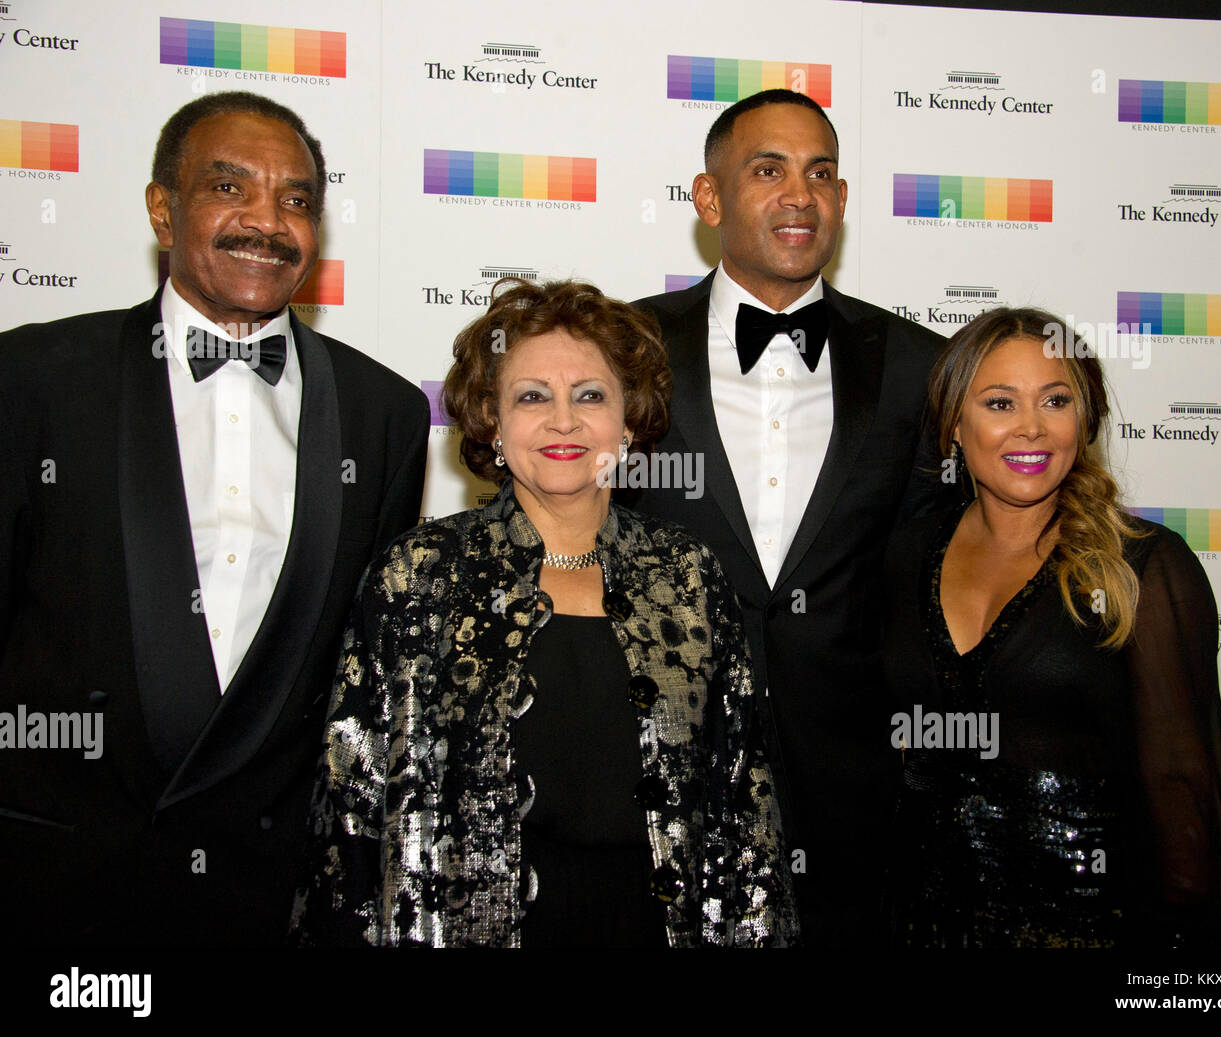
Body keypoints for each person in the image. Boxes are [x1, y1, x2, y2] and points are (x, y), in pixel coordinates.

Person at [0, 91, 430, 945]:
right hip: (57, 887)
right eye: (230, 189)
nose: (268, 224)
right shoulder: (36, 378)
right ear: (163, 208)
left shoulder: (383, 412)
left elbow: (362, 679)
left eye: (297, 201)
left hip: (272, 899)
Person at [291, 279, 796, 947]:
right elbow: (350, 817)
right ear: (492, 423)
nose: (564, 419)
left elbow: (747, 811)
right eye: (533, 396)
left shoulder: (690, 575)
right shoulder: (421, 576)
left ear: (629, 420)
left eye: (591, 395)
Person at [633, 89, 949, 943]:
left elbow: (934, 573)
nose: (798, 196)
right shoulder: (619, 349)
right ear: (709, 199)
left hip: (854, 794)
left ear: (842, 200)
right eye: (766, 170)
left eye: (820, 174)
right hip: (652, 777)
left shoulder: (920, 364)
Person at [880, 306, 1221, 947]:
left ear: (1085, 417)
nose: (1032, 429)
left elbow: (1180, 784)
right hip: (921, 918)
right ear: (955, 424)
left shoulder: (1143, 565)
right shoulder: (907, 552)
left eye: (1056, 400)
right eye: (1000, 403)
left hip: (1086, 929)